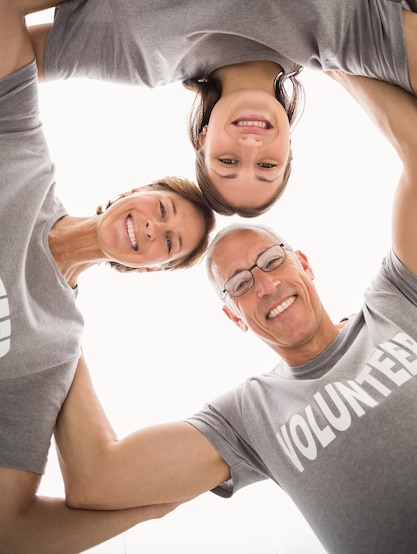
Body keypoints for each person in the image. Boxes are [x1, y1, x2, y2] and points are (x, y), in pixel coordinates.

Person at [50, 71, 417, 554]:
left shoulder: (395, 298)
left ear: (303, 262)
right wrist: (58, 296)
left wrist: (329, 56)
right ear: (234, 317)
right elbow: (98, 481)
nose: (265, 285)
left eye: (271, 261)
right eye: (240, 284)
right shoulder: (248, 417)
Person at [0, 0, 215, 553]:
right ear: (130, 192)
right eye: (162, 208)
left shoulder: (56, 342)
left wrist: (145, 514)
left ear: (148, 269)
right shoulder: (23, 157)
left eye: (168, 245)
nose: (153, 228)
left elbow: (9, 528)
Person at [23, 0, 417, 216]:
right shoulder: (348, 36)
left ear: (203, 139)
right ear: (289, 149)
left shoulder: (139, 59)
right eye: (267, 166)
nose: (249, 147)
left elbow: (17, 54)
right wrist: (339, 67)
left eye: (227, 162)